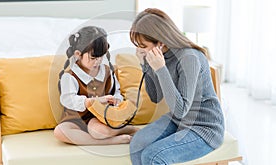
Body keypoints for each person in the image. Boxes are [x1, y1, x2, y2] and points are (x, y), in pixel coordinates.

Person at [129, 8, 225, 164]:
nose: (139, 50)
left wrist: (160, 69)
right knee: (137, 145)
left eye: (143, 45)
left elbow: (181, 110)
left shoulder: (189, 58)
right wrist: (145, 65)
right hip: (177, 121)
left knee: (153, 156)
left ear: (160, 42)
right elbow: (155, 97)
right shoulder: (162, 56)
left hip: (204, 127)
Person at [54, 26, 138, 145]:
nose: (98, 62)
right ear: (78, 54)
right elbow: (68, 99)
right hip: (75, 120)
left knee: (99, 132)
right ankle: (113, 141)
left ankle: (127, 129)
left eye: (101, 57)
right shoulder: (70, 76)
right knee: (60, 131)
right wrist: (92, 101)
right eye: (93, 58)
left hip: (100, 118)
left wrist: (116, 101)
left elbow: (116, 92)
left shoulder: (107, 72)